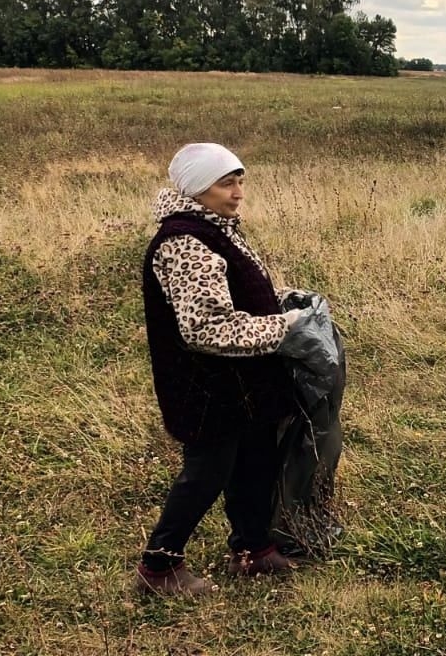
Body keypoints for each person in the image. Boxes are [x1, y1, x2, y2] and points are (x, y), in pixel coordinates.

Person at [133, 143, 309, 597]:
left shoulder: (217, 228)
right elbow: (205, 328)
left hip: (242, 381)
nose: (238, 192)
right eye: (225, 183)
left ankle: (253, 549)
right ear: (196, 190)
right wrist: (280, 327)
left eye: (240, 181)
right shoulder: (185, 241)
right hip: (205, 385)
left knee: (256, 458)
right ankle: (159, 566)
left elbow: (229, 292)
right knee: (207, 471)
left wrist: (277, 300)